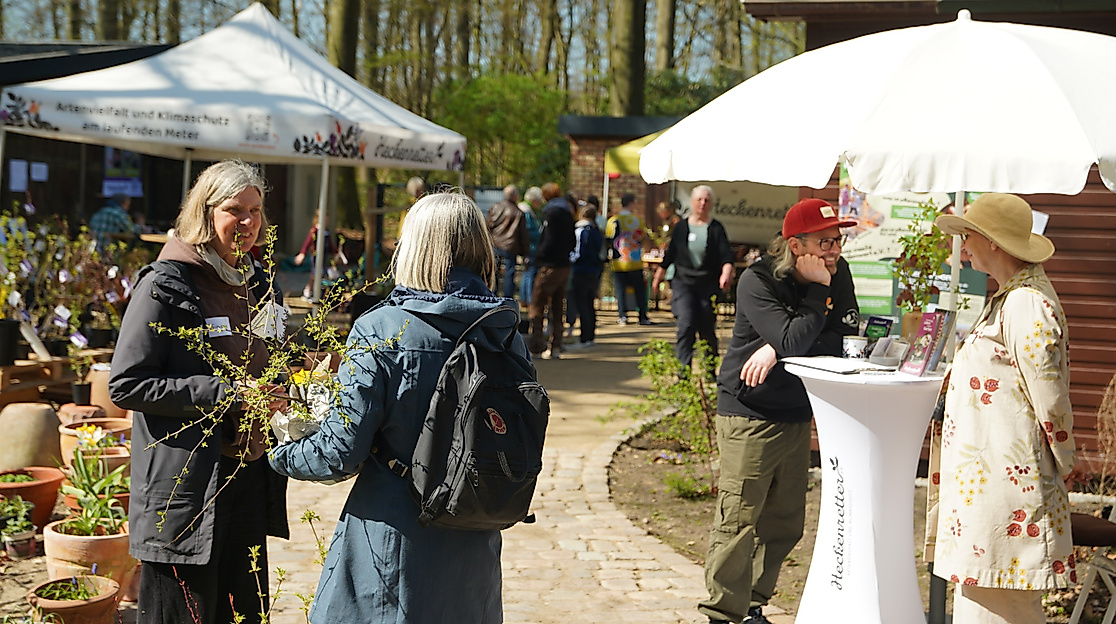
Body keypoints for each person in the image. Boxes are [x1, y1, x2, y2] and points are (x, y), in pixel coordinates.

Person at [269, 191, 520, 624]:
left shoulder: (383, 329)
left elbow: (339, 451)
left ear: (415, 248)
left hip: (392, 536)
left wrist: (280, 449)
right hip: (474, 540)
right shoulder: (507, 332)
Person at [109, 160, 289, 624]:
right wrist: (221, 392)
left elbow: (267, 356)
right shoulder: (165, 284)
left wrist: (292, 375)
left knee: (243, 612)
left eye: (256, 210)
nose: (248, 223)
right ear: (205, 212)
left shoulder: (259, 282)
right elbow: (127, 382)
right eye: (235, 210)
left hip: (244, 476)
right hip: (185, 490)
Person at [702, 198, 858, 624]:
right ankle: (721, 612)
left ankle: (752, 604)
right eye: (825, 242)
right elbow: (797, 341)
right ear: (796, 243)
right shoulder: (757, 280)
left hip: (795, 409)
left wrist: (778, 346)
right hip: (749, 412)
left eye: (838, 240)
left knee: (785, 521)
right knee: (739, 519)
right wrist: (809, 308)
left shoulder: (836, 272)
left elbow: (842, 338)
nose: (834, 250)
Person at [932, 193, 1077, 624]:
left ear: (994, 241)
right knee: (983, 605)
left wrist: (1062, 462)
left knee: (999, 610)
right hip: (990, 490)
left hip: (1009, 494)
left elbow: (1050, 398)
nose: (965, 245)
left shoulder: (1026, 303)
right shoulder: (1009, 298)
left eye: (969, 235)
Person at [653, 186, 734, 367]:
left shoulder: (716, 228)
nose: (702, 203)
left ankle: (710, 370)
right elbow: (671, 253)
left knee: (706, 326)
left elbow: (726, 255)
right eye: (699, 200)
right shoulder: (681, 226)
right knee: (686, 323)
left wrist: (726, 272)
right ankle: (683, 373)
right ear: (692, 202)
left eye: (706, 200)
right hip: (684, 281)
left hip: (708, 282)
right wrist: (660, 273)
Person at [529, 182, 575, 359]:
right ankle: (556, 344)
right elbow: (571, 241)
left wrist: (539, 258)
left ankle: (536, 345)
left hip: (549, 264)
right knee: (557, 305)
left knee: (537, 302)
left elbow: (547, 240)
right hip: (564, 264)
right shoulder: (568, 212)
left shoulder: (551, 212)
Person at [606, 192, 652, 326]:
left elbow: (609, 238)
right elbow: (642, 238)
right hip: (634, 261)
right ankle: (642, 316)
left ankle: (622, 316)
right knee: (639, 290)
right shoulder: (637, 220)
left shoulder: (613, 220)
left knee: (620, 290)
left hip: (618, 261)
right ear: (631, 203)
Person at [567, 203, 605, 349]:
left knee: (582, 304)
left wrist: (569, 259)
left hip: (581, 270)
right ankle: (590, 336)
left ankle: (584, 338)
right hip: (594, 271)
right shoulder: (597, 231)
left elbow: (578, 252)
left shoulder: (581, 231)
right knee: (590, 304)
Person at [486, 185, 529, 299]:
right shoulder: (518, 213)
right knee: (509, 274)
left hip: (494, 245)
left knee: (493, 273)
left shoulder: (494, 208)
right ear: (515, 196)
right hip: (510, 247)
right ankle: (507, 299)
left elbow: (488, 226)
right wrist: (525, 252)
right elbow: (523, 235)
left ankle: (491, 296)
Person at [294, 213, 337, 300]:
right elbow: (307, 242)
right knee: (316, 273)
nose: (326, 222)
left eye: (327, 220)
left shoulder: (326, 231)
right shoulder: (315, 230)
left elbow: (330, 245)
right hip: (315, 256)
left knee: (321, 274)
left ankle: (315, 292)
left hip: (324, 255)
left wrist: (335, 252)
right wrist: (302, 253)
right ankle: (309, 291)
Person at [519, 186, 545, 306]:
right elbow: (529, 231)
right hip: (531, 247)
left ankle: (524, 298)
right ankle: (530, 299)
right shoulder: (527, 211)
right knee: (531, 273)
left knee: (527, 272)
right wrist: (541, 233)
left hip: (528, 247)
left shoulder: (524, 209)